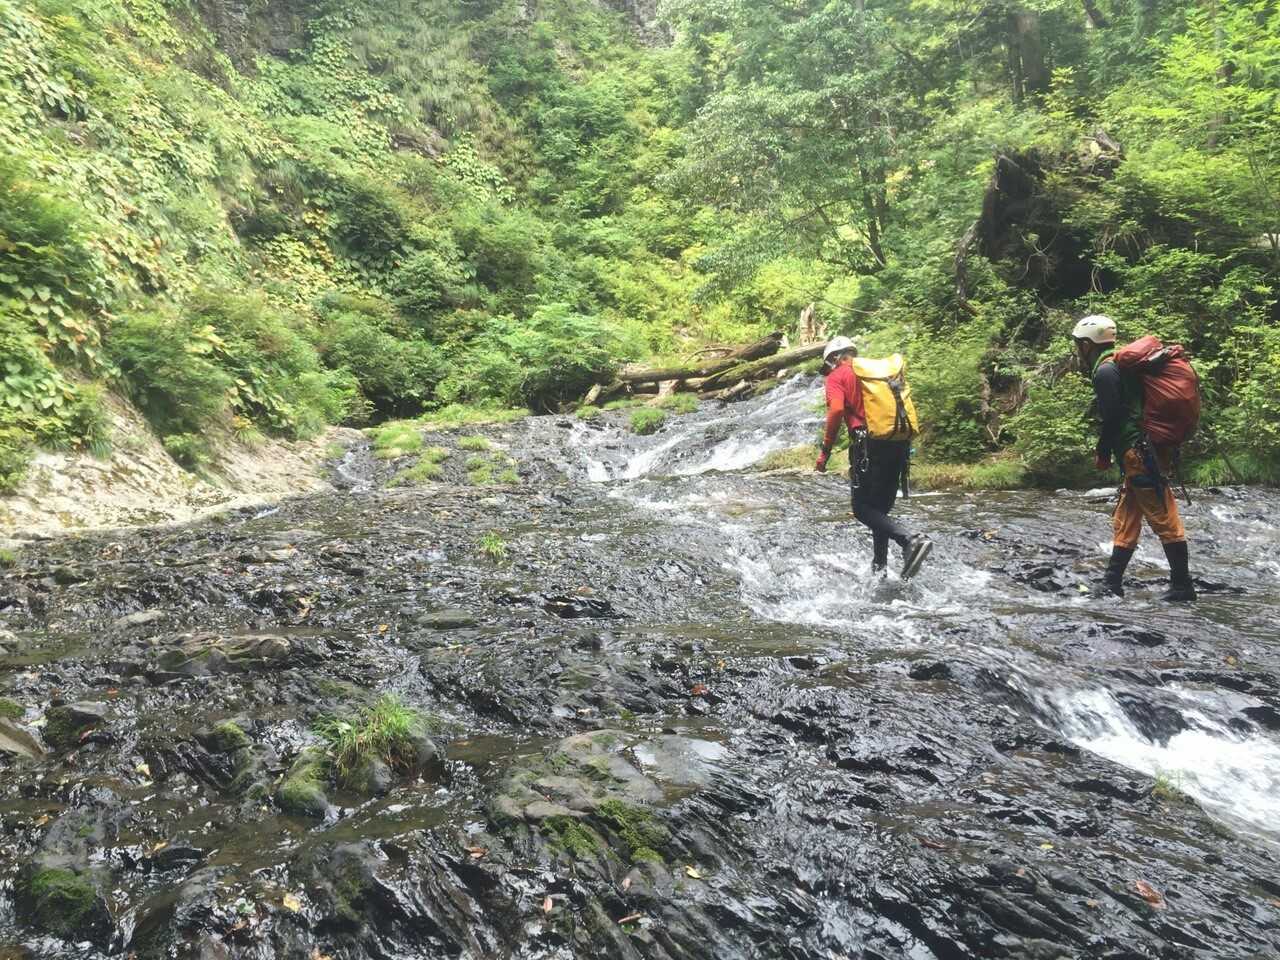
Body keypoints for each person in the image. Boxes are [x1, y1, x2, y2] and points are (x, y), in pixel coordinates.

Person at [1071, 314, 1196, 601]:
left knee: (1163, 515)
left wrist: (1103, 451)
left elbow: (1112, 417)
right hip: (1144, 451)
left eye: (1079, 344)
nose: (1078, 350)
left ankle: (1182, 585)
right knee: (1127, 515)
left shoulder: (1105, 371)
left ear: (1088, 345)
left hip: (1138, 452)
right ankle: (1112, 582)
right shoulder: (1119, 364)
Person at [815, 336, 932, 578]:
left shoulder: (837, 376)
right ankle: (880, 571)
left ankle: (909, 540)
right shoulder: (877, 373)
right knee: (879, 511)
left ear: (834, 358)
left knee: (861, 509)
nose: (829, 368)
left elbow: (836, 410)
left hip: (868, 445)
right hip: (898, 443)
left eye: (829, 363)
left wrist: (825, 452)